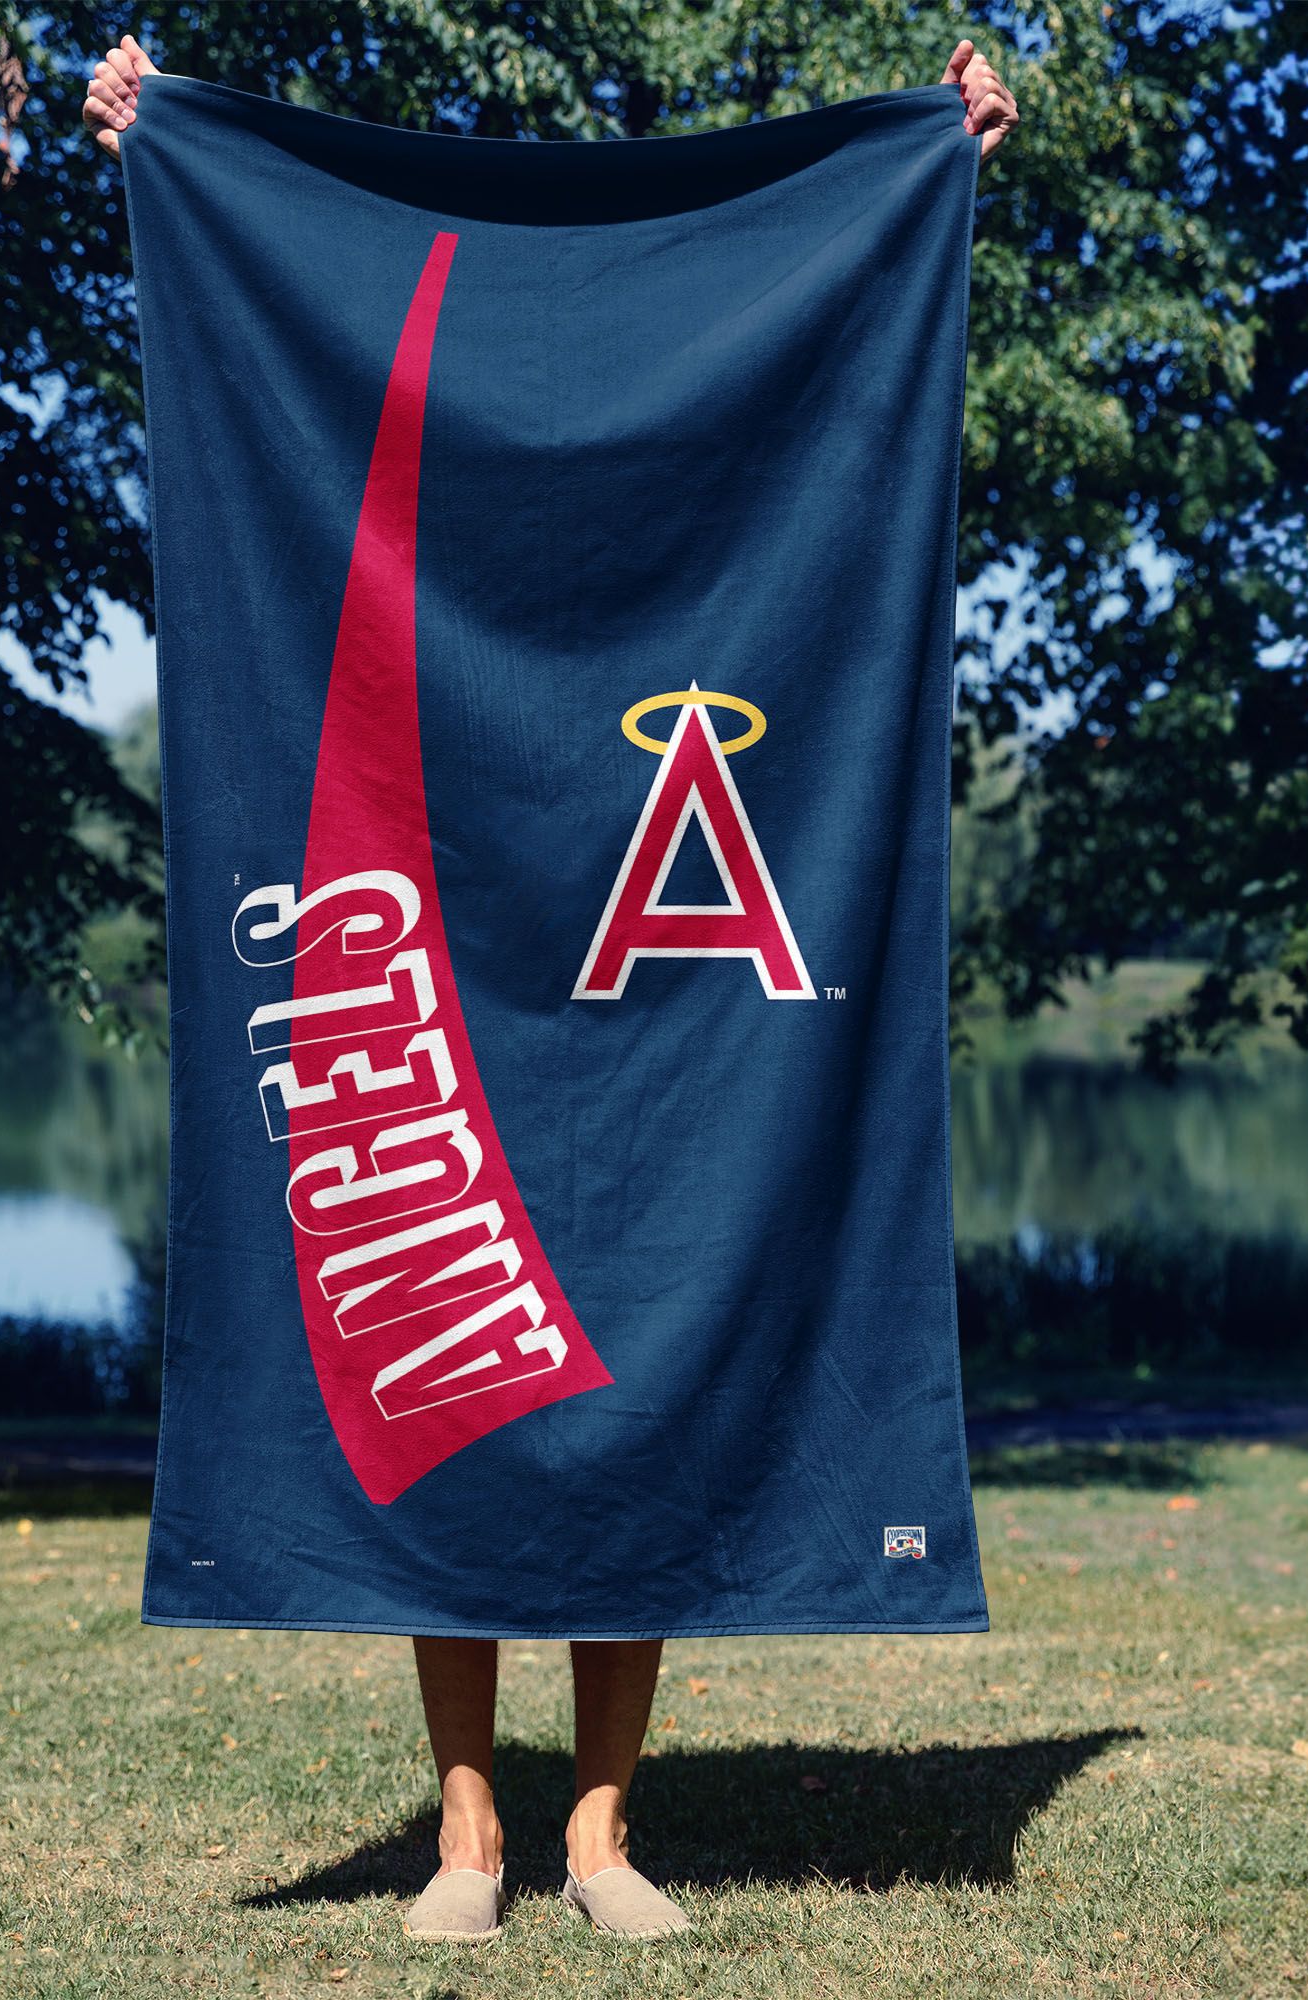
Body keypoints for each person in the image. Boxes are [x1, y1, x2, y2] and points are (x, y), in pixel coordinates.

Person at [82, 27, 1019, 1946]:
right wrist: (161, 140)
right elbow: (261, 264)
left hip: (659, 972)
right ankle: (467, 1834)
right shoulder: (384, 334)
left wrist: (937, 158)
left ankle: (598, 1834)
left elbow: (841, 290)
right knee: (436, 1338)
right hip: (442, 898)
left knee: (648, 1372)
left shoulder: (716, 356)